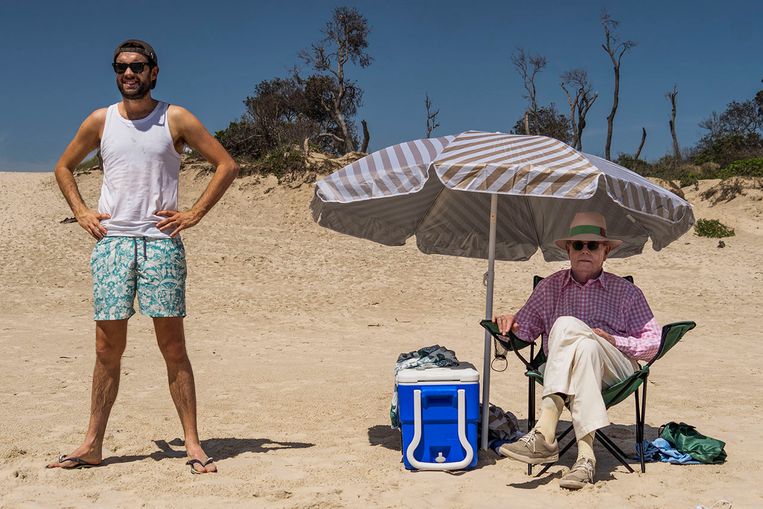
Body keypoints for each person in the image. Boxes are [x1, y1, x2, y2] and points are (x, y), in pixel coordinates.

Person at [47, 39, 239, 474]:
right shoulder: (100, 121)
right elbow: (63, 166)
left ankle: (192, 443)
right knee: (105, 347)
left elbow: (226, 165)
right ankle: (92, 443)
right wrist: (80, 211)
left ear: (154, 71)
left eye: (137, 67)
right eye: (121, 67)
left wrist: (195, 213)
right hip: (113, 244)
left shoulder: (176, 118)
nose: (128, 74)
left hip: (161, 243)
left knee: (172, 346)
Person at [493, 211, 660, 490]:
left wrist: (615, 341)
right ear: (568, 250)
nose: (585, 250)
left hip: (615, 369)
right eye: (578, 245)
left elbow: (653, 342)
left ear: (605, 252)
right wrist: (506, 323)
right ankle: (585, 458)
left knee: (568, 326)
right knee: (584, 349)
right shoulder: (550, 288)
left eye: (593, 245)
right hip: (570, 367)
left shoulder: (626, 292)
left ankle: (545, 433)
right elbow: (523, 331)